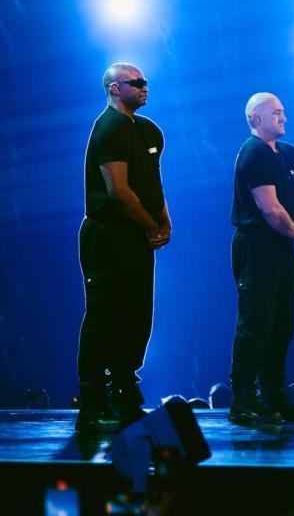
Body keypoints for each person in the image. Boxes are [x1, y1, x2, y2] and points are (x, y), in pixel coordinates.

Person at [77, 63, 171, 432]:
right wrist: (150, 224)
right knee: (104, 315)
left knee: (137, 313)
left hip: (136, 236)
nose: (145, 87)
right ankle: (92, 400)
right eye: (137, 82)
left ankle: (124, 388)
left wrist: (163, 220)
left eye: (146, 81)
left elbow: (151, 182)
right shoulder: (109, 127)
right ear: (116, 88)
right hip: (109, 233)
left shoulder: (148, 130)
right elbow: (117, 190)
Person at [228, 92, 294, 425]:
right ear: (255, 119)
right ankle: (243, 400)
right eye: (275, 113)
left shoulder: (291, 154)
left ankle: (274, 395)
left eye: (283, 111)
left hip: (282, 248)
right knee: (255, 324)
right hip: (258, 247)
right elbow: (270, 209)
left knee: (282, 325)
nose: (283, 117)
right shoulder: (252, 155)